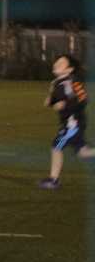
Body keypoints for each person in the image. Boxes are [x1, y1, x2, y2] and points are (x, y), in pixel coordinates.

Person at [39, 54, 95, 189]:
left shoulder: (72, 81)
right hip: (70, 124)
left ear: (69, 69)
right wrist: (51, 100)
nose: (57, 64)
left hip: (72, 124)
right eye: (56, 62)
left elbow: (82, 99)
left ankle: (53, 180)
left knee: (56, 146)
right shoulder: (57, 83)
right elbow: (51, 102)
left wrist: (65, 105)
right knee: (83, 152)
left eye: (61, 63)